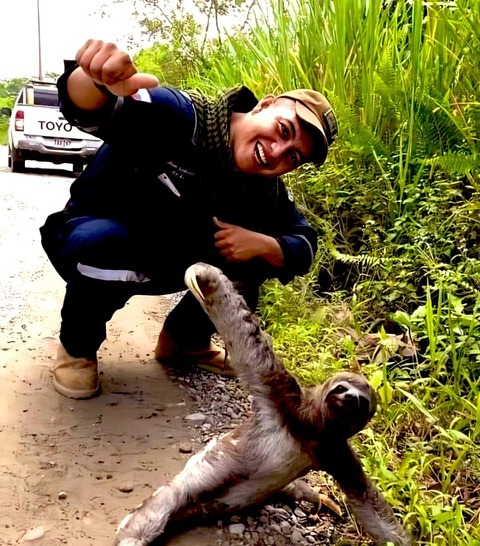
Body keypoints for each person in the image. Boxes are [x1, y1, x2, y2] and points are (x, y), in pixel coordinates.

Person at [40, 39, 338, 400]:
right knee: (107, 241)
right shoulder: (182, 116)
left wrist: (265, 245)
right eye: (283, 130)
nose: (277, 152)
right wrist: (94, 81)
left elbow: (304, 242)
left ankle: (184, 343)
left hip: (162, 260)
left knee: (252, 257)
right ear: (264, 105)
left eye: (293, 157)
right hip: (88, 240)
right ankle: (77, 349)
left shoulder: (265, 190)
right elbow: (94, 109)